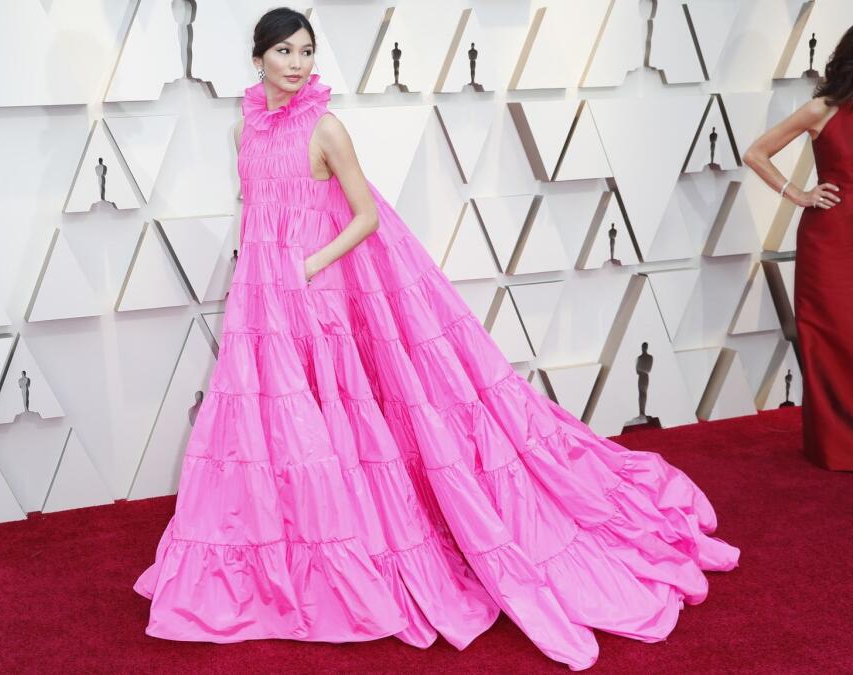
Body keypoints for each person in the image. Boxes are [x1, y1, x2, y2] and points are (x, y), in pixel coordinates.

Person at [134, 8, 739, 671]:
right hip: (262, 300)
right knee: (271, 429)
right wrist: (253, 275)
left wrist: (305, 267)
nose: (299, 63)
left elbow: (364, 216)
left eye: (307, 50)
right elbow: (258, 210)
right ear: (258, 60)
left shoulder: (326, 128)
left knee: (334, 420)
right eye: (284, 51)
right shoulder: (244, 127)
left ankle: (350, 545)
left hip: (317, 294)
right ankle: (280, 554)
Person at [743, 26, 853, 472]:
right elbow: (756, 153)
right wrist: (797, 192)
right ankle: (837, 445)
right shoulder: (822, 110)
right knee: (833, 336)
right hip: (831, 239)